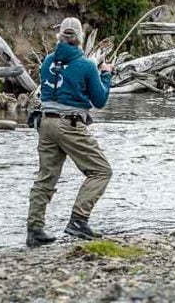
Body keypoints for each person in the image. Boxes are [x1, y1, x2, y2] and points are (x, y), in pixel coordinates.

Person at [26, 17, 114, 247]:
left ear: (60, 37)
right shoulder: (86, 65)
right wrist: (106, 74)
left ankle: (34, 229)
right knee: (101, 171)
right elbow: (100, 100)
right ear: (79, 38)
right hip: (70, 124)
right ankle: (78, 220)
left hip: (45, 123)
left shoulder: (47, 61)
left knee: (46, 177)